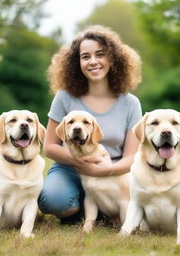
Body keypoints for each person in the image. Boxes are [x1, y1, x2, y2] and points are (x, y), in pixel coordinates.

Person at [38, 25, 142, 223]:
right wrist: (81, 161)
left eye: (100, 54)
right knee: (52, 201)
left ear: (112, 58)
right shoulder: (64, 97)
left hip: (112, 167)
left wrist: (103, 170)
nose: (93, 61)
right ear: (77, 63)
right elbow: (50, 147)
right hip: (69, 167)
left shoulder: (131, 103)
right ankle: (82, 210)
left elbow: (131, 158)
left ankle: (100, 209)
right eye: (85, 57)